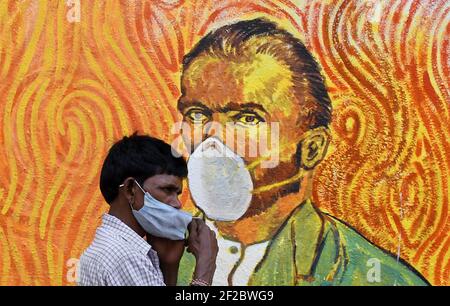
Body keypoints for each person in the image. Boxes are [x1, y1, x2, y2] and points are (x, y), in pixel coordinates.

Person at [176, 17, 429, 286]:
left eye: (248, 118)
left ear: (311, 148)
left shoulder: (375, 278)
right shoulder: (155, 259)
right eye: (197, 114)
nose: (212, 135)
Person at [77, 133, 218, 286]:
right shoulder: (125, 257)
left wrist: (168, 264)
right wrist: (205, 266)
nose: (177, 204)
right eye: (167, 189)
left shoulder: (114, 247)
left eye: (177, 194)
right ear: (131, 189)